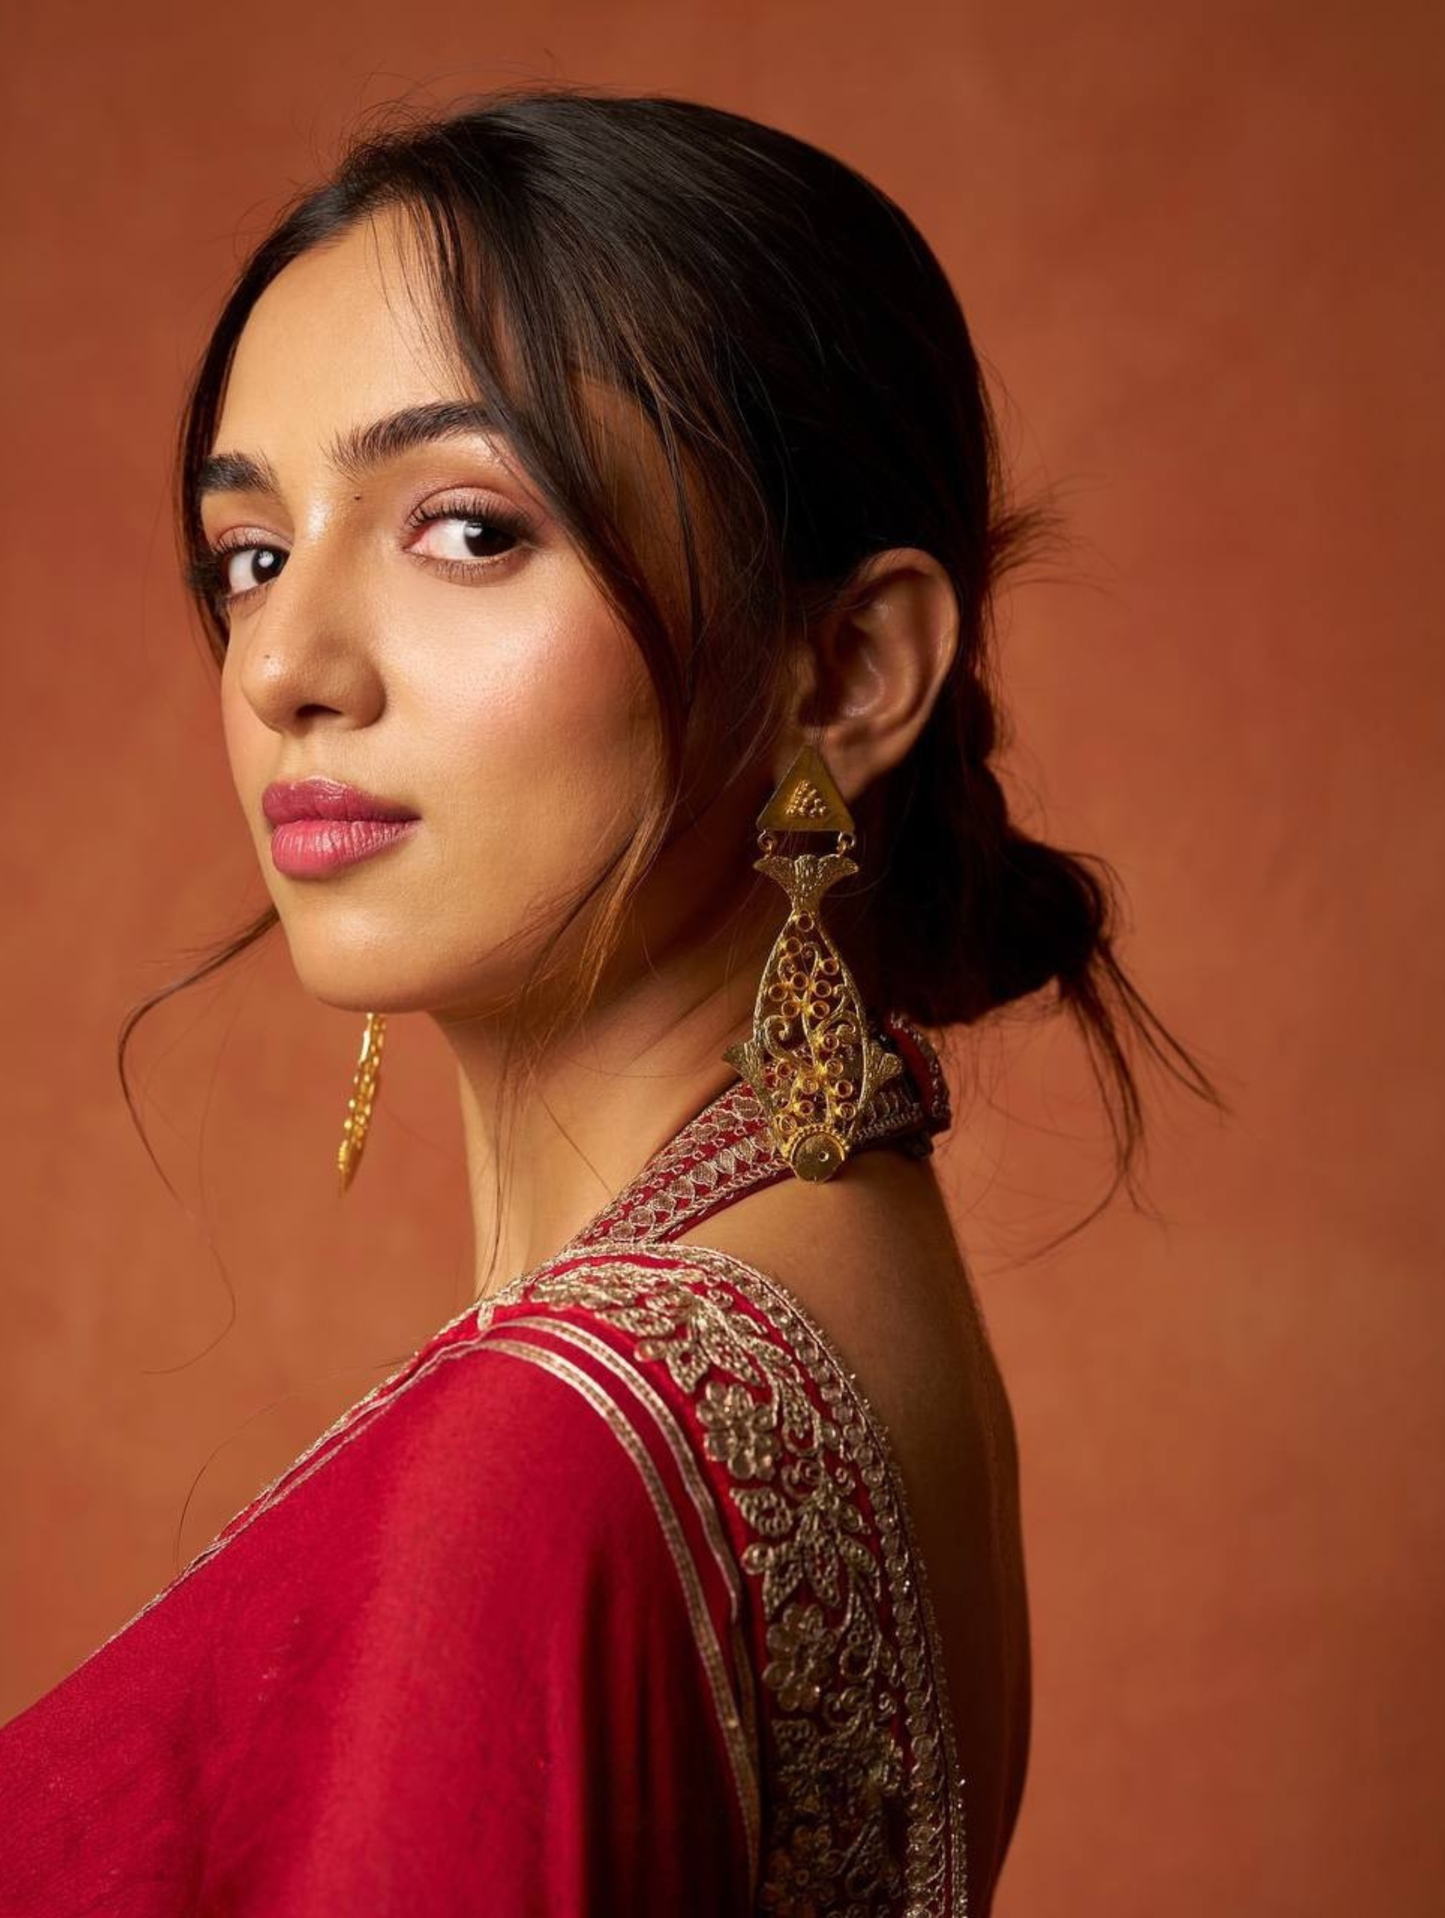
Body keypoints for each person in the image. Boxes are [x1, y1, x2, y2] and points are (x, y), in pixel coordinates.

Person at [0, 87, 1224, 1914]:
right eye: (250, 552)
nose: (283, 666)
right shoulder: (834, 1261)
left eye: (471, 529)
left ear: (849, 667)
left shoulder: (554, 1450)